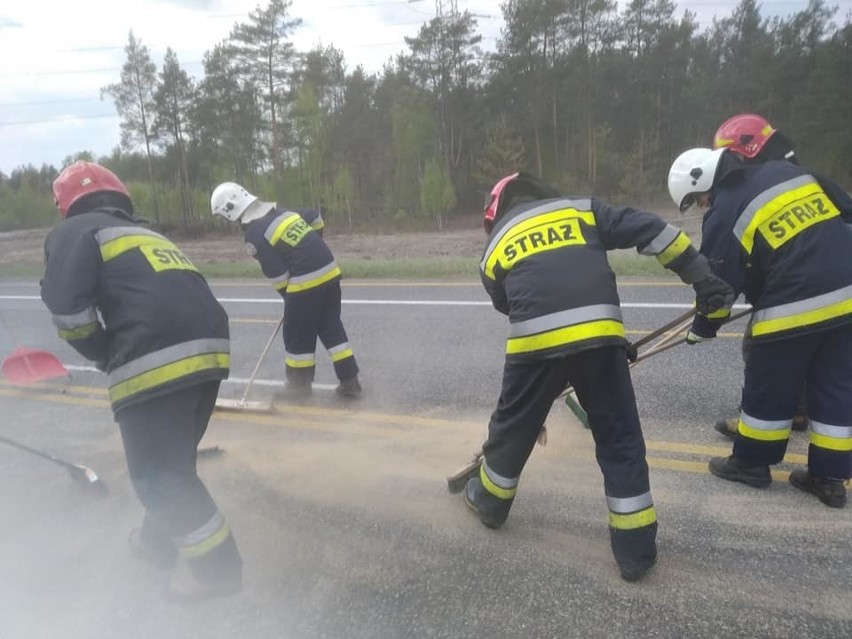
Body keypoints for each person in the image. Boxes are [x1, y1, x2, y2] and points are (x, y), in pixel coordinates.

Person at [462, 172, 734, 582]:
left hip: (535, 346)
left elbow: (512, 304)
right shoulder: (582, 209)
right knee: (620, 439)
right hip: (602, 336)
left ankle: (490, 504)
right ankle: (636, 554)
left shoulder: (494, 247)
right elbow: (652, 229)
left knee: (512, 428)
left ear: (495, 212)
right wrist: (701, 277)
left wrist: (557, 364)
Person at [40, 161, 242, 600]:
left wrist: (106, 354)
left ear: (66, 206)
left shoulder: (74, 233)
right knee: (174, 467)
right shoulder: (147, 236)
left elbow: (71, 316)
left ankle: (218, 572)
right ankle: (155, 545)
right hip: (208, 351)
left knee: (159, 478)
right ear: (120, 196)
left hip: (155, 358)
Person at [668, 147, 852, 508]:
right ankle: (829, 480)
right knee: (835, 387)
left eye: (699, 199)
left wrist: (703, 327)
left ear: (705, 181)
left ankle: (751, 464)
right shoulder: (786, 172)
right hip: (848, 295)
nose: (703, 206)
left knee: (770, 385)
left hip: (792, 304)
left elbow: (718, 286)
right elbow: (846, 209)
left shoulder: (725, 211)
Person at [709, 113, 852, 440]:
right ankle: (799, 411)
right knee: (828, 361)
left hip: (811, 283)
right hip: (838, 283)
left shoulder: (774, 176)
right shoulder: (793, 171)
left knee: (763, 344)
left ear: (745, 151)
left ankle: (768, 424)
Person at [210, 182, 360, 400]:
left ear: (229, 210)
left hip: (305, 281)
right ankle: (350, 382)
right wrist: (312, 245)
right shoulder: (282, 213)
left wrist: (290, 302)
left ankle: (298, 388)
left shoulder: (254, 233)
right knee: (330, 326)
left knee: (296, 333)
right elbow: (313, 217)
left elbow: (278, 274)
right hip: (330, 271)